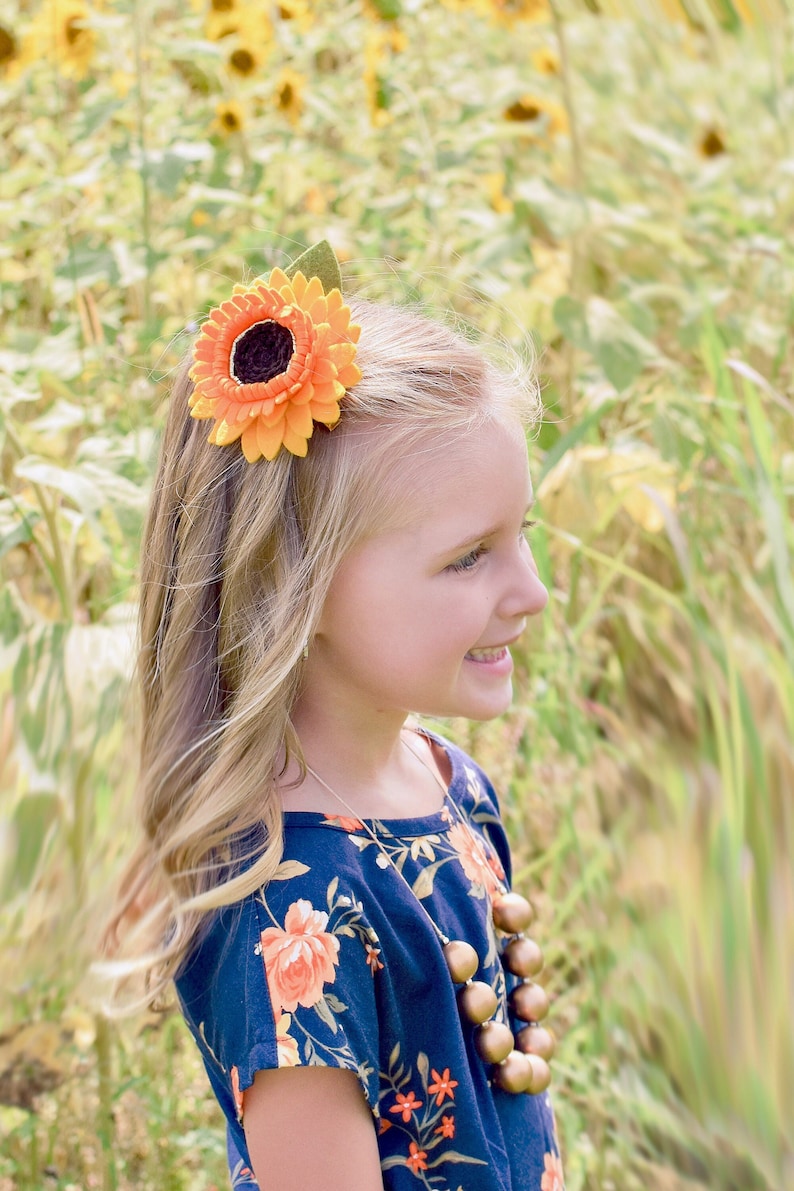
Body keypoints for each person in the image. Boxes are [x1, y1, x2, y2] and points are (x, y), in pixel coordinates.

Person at [103, 241, 565, 1191]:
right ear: (292, 583)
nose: (534, 591)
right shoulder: (285, 899)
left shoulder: (446, 780)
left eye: (522, 535)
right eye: (470, 557)